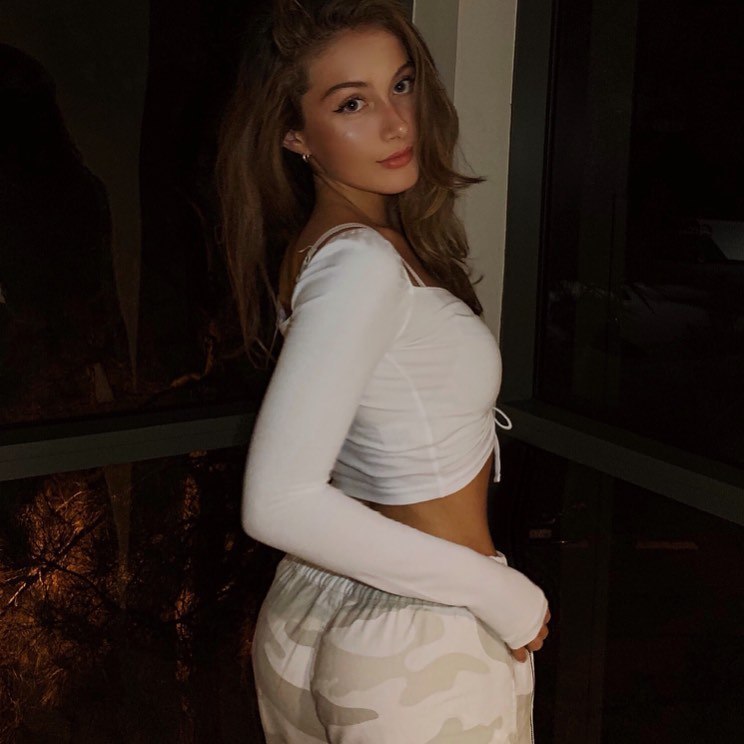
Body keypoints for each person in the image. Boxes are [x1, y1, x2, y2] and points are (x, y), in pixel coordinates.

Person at [216, 1, 550, 741]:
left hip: (321, 599)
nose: (398, 124)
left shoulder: (327, 247)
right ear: (294, 134)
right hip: (421, 648)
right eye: (352, 103)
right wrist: (501, 594)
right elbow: (276, 502)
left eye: (401, 86)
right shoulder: (360, 263)